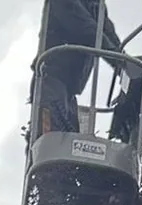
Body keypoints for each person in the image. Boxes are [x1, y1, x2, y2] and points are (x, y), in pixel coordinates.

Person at [35, 0, 122, 136]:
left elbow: (109, 35)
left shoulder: (96, 4)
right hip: (51, 81)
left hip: (69, 92)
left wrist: (130, 69)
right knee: (50, 143)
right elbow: (86, 29)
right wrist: (119, 62)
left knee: (69, 148)